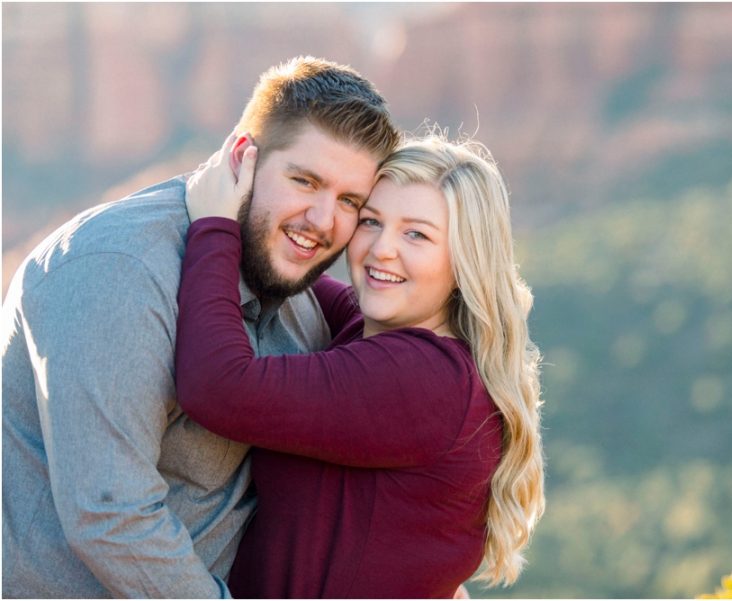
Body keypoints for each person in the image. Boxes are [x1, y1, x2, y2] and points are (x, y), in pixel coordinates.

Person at [1, 56, 399, 598]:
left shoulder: (293, 291)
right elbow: (112, 517)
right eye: (305, 181)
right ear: (243, 158)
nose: (323, 221)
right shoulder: (120, 273)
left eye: (349, 201)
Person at [174, 133, 546, 597]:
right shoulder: (385, 332)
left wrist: (213, 224)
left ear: (465, 261)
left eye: (416, 234)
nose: (380, 249)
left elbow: (217, 385)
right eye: (370, 221)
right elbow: (296, 276)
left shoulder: (423, 378)